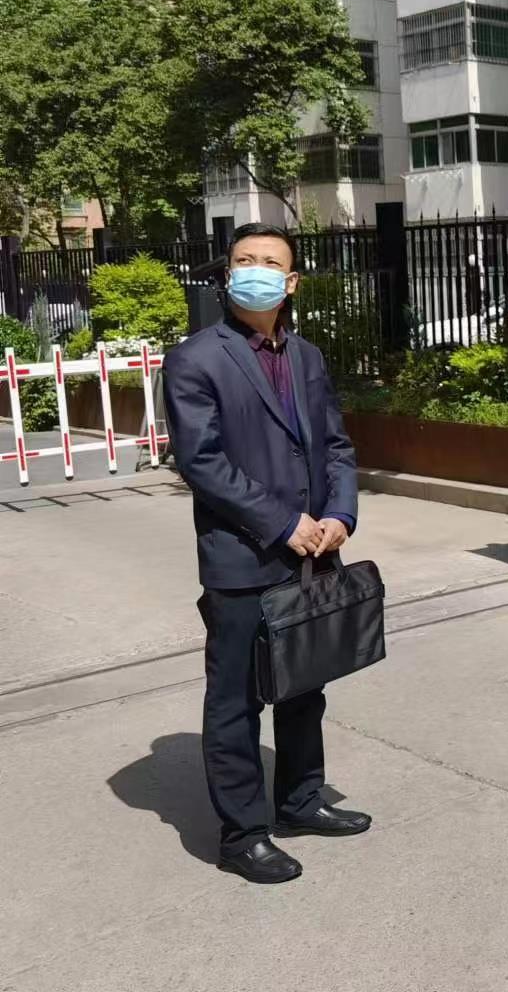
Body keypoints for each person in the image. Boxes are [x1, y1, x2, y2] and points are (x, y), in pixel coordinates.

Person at [163, 223, 367, 885]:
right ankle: (244, 835)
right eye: (244, 260)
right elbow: (202, 462)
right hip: (244, 557)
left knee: (305, 686)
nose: (256, 270)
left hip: (313, 553)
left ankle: (301, 799)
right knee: (236, 701)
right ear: (228, 276)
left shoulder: (307, 356)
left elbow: (335, 445)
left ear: (291, 281)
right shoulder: (196, 359)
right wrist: (283, 523)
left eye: (270, 262)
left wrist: (339, 514)